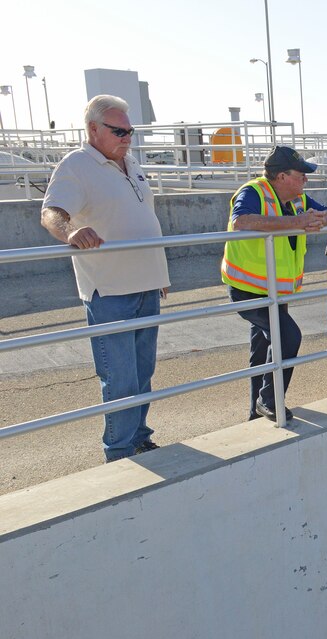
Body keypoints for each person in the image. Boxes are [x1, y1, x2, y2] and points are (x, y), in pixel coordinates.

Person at [41, 94, 171, 461]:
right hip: (111, 289)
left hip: (147, 285)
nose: (127, 137)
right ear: (93, 129)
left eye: (129, 131)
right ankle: (119, 450)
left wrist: (159, 274)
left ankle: (140, 437)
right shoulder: (78, 165)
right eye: (119, 131)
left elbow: (145, 221)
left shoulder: (131, 164)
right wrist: (69, 232)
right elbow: (51, 212)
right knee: (120, 377)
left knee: (143, 372)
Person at [222, 146, 327, 422]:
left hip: (275, 290)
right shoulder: (254, 192)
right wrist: (296, 222)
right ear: (282, 176)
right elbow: (241, 222)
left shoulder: (297, 199)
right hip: (248, 288)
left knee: (261, 349)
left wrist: (319, 219)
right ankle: (269, 400)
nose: (305, 181)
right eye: (301, 175)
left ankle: (255, 411)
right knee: (288, 337)